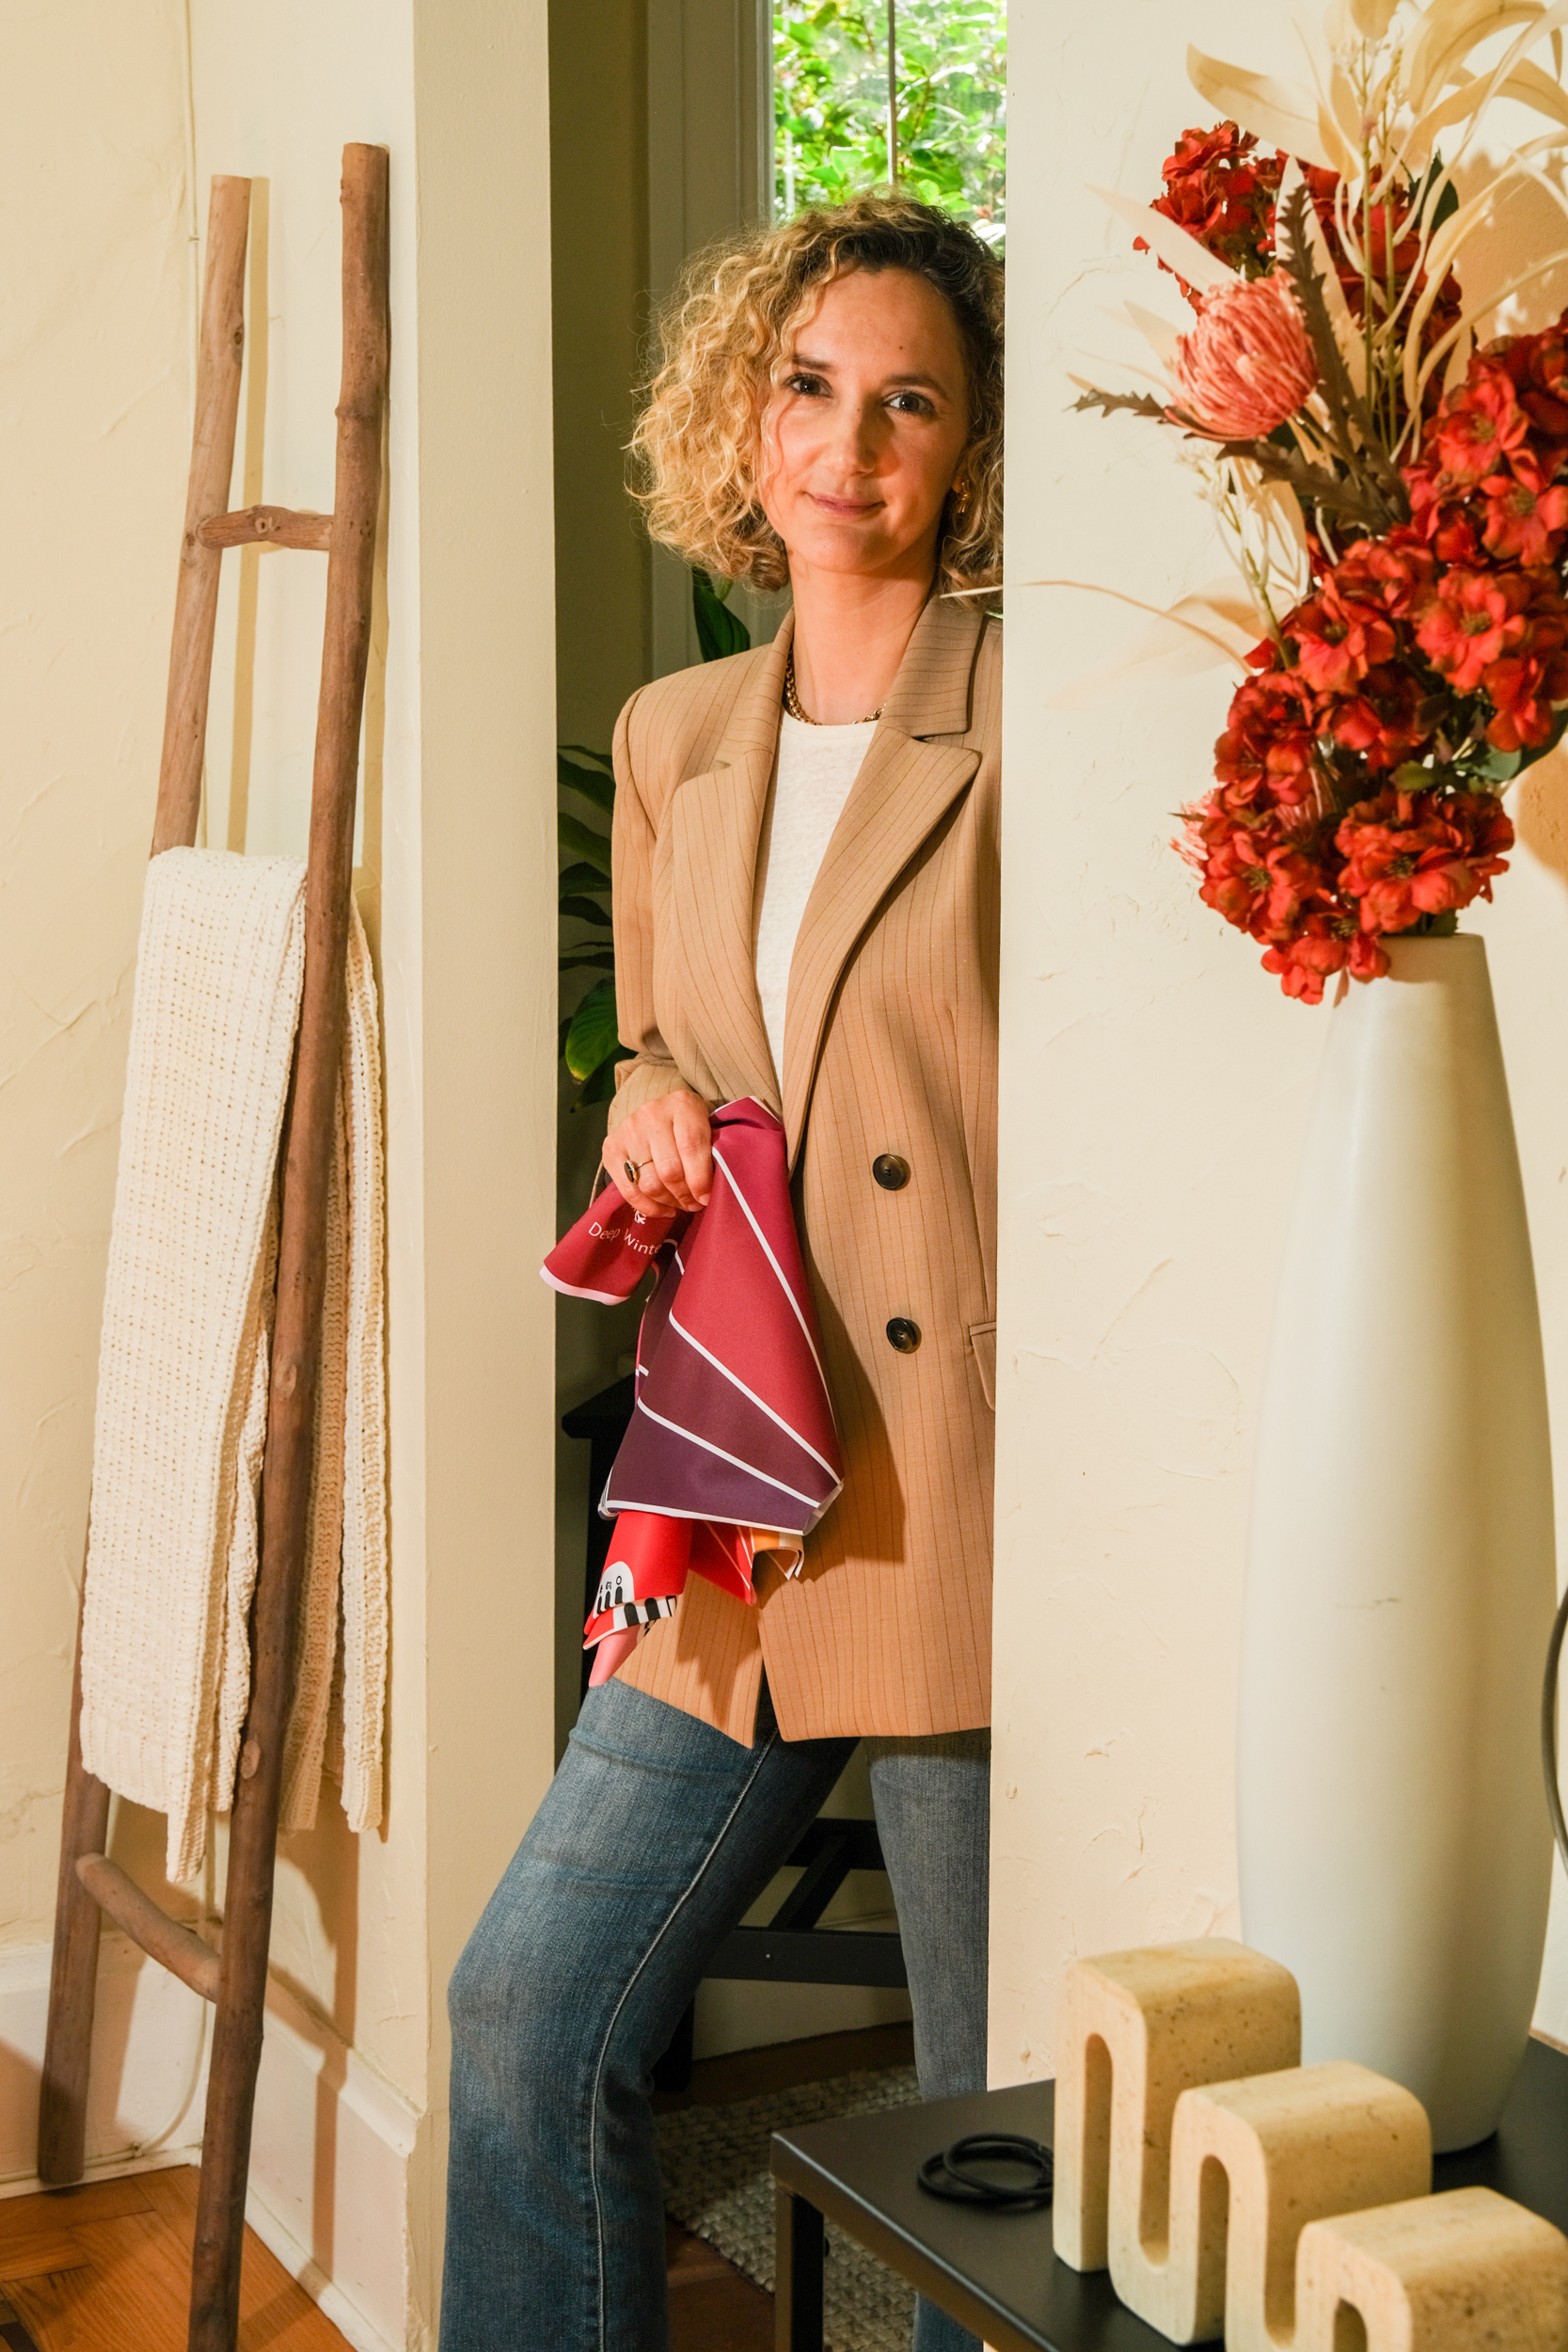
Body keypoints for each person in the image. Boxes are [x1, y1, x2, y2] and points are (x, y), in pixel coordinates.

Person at [440, 191, 1004, 2352]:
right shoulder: (674, 734)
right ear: (742, 407)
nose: (845, 442)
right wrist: (640, 1084)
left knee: (991, 2130)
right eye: (807, 384)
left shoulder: (1023, 714)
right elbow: (691, 1028)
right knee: (521, 2009)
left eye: (907, 403)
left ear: (961, 458)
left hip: (959, 1487)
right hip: (736, 1492)